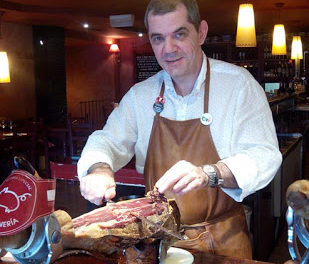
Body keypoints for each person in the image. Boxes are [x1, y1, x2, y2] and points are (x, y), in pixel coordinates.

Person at [77, 0, 282, 259]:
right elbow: (106, 140)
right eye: (158, 38)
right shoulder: (141, 95)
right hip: (156, 242)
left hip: (222, 243)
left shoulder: (239, 86)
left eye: (179, 34)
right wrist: (98, 170)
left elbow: (264, 154)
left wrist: (210, 173)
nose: (168, 48)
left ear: (201, 33)